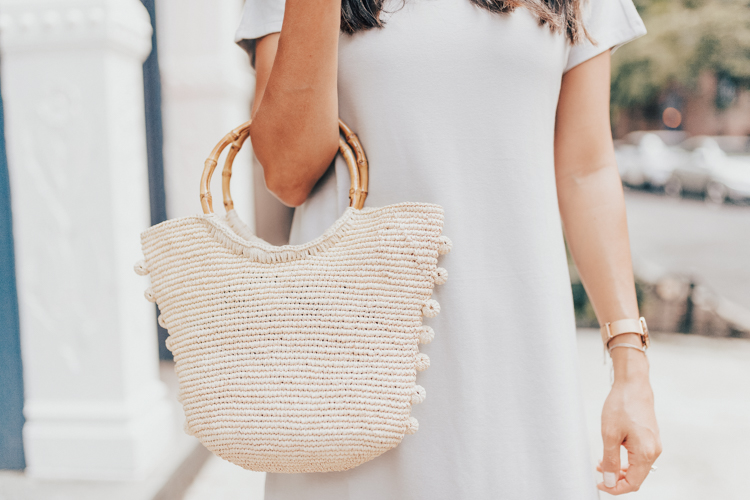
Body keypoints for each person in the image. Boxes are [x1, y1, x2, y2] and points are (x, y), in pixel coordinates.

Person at [235, 0, 662, 498]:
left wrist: (630, 364)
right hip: (352, 370)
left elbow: (585, 170)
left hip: (517, 367)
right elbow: (288, 173)